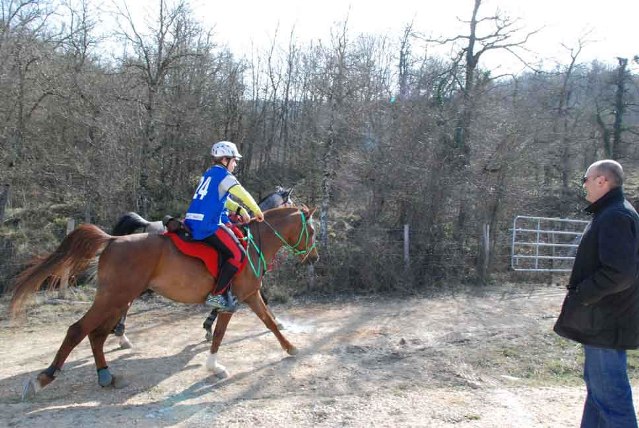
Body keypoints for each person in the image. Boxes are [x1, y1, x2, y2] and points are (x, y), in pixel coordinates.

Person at [554, 159, 639, 428]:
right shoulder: (613, 212)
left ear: (602, 180)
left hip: (605, 320)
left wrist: (582, 294)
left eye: (586, 179)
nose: (584, 185)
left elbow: (620, 272)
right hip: (604, 321)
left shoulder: (615, 215)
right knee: (598, 394)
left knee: (612, 400)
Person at [185, 141, 264, 312]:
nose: (235, 164)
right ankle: (218, 294)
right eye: (234, 160)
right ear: (225, 159)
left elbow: (219, 198)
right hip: (207, 225)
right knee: (238, 254)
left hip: (191, 221)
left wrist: (238, 208)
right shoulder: (225, 176)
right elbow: (242, 193)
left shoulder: (208, 175)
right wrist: (256, 210)